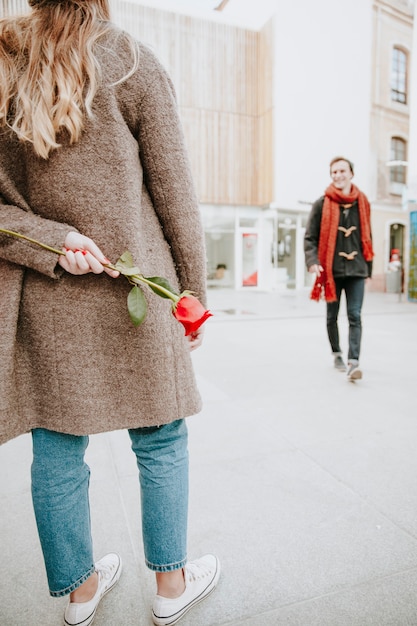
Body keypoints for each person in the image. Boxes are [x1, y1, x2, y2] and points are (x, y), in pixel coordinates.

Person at [0, 2, 220, 625]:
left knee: (57, 450)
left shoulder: (6, 70)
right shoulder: (129, 61)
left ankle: (80, 593)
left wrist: (49, 237)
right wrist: (192, 295)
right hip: (139, 290)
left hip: (47, 300)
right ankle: (171, 588)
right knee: (161, 436)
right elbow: (175, 190)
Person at [304, 156, 374, 381]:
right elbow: (310, 237)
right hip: (331, 271)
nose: (338, 175)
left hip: (357, 270)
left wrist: (369, 269)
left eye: (342, 171)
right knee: (331, 316)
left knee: (355, 315)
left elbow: (367, 236)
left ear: (351, 173)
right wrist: (313, 261)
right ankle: (337, 353)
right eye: (334, 172)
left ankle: (354, 362)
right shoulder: (321, 203)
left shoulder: (362, 202)